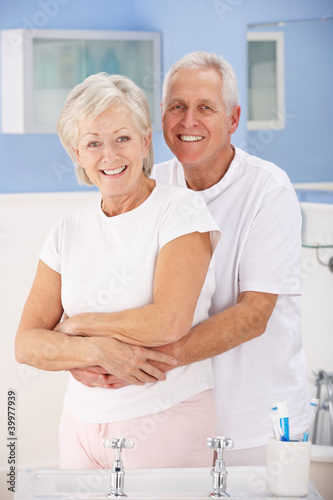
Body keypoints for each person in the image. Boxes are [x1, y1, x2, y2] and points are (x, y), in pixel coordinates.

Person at [70, 52, 312, 466]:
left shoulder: (268, 191)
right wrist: (89, 354)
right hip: (170, 415)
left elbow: (254, 315)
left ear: (233, 119)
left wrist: (139, 360)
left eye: (206, 108)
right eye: (177, 107)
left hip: (256, 421)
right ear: (160, 118)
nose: (188, 122)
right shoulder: (148, 184)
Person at [15, 72, 221, 469]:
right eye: (93, 143)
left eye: (122, 138)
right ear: (77, 153)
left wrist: (78, 325)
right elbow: (26, 344)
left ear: (145, 141)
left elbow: (169, 321)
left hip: (166, 419)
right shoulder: (67, 230)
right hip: (80, 425)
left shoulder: (180, 211)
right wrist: (96, 350)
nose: (109, 156)